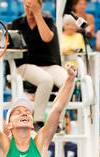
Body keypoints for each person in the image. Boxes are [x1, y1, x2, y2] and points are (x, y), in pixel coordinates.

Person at [8, 0, 69, 131]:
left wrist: (37, 14)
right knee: (46, 80)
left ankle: (58, 120)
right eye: (26, 4)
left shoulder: (47, 21)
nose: (28, 7)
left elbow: (47, 37)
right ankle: (38, 120)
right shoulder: (16, 24)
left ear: (40, 5)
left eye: (32, 4)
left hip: (49, 64)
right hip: (25, 64)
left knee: (67, 80)